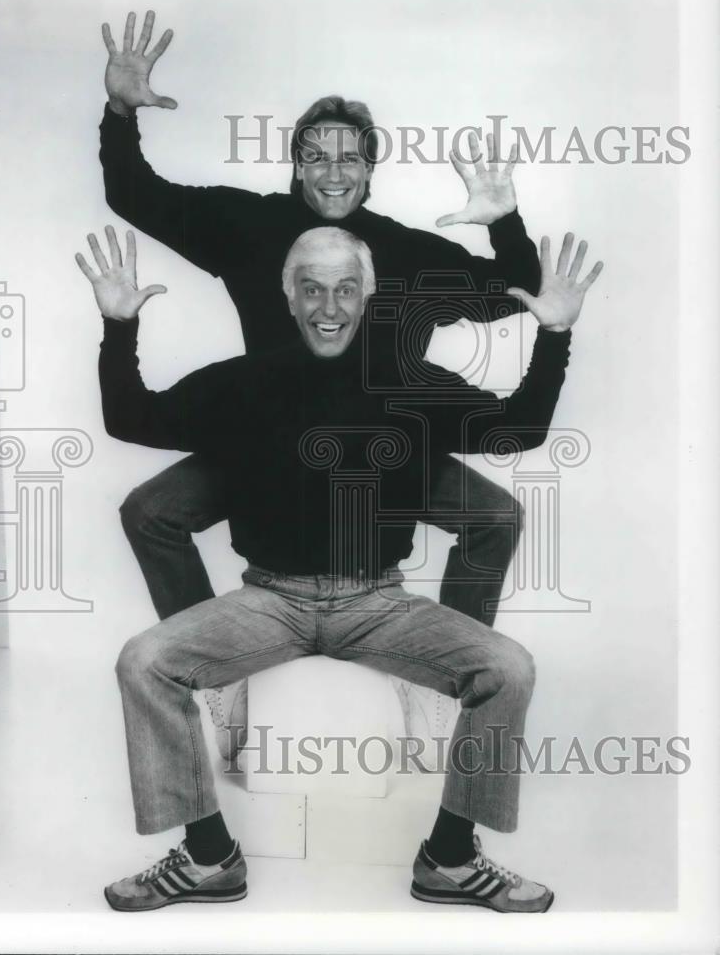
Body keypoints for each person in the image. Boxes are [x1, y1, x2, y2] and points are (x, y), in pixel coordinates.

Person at [76, 221, 602, 913]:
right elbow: (131, 418)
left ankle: (448, 858)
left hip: (377, 603)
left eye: (345, 290)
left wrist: (555, 335)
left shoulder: (408, 385)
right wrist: (118, 327)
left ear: (369, 295)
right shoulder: (244, 383)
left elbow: (517, 429)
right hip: (269, 601)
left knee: (507, 668)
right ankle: (209, 858)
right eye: (312, 289)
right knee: (143, 661)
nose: (329, 306)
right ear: (288, 297)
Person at [98, 11, 545, 756]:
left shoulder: (405, 252)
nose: (332, 170)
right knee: (150, 512)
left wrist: (504, 220)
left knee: (492, 517)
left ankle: (439, 679)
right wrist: (118, 112)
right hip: (262, 451)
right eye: (315, 155)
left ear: (369, 169)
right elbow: (135, 194)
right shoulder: (244, 225)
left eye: (348, 158)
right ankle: (218, 675)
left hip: (384, 459)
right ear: (296, 165)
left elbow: (517, 292)